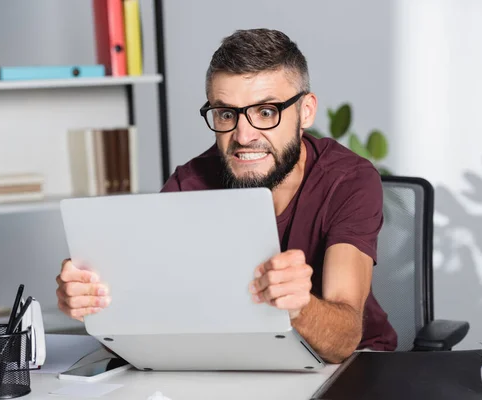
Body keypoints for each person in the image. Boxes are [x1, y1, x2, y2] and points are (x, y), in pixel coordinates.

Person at [56, 28, 397, 363]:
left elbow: (345, 338)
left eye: (266, 112)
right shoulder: (188, 185)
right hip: (232, 364)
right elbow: (144, 328)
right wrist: (96, 305)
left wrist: (300, 307)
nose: (244, 135)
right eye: (226, 114)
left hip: (351, 366)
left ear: (306, 111)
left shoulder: (349, 180)